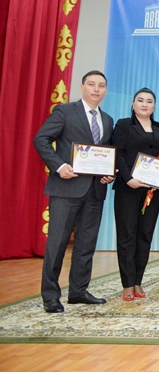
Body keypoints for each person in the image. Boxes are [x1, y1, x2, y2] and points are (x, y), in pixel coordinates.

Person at [33, 70, 115, 313]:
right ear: (82, 87)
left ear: (105, 91)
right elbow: (41, 139)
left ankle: (78, 291)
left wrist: (108, 173)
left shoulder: (107, 120)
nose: (96, 89)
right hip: (66, 188)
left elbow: (103, 154)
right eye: (91, 84)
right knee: (57, 244)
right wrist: (59, 166)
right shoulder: (65, 111)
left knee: (86, 244)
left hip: (95, 190)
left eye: (101, 85)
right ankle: (50, 296)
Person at [111, 87, 159, 301]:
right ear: (133, 104)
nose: (145, 104)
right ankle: (127, 284)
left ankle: (138, 281)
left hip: (153, 190)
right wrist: (128, 179)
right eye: (141, 100)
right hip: (128, 188)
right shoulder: (124, 125)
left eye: (149, 101)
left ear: (154, 106)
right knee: (127, 236)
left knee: (145, 235)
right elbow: (118, 153)